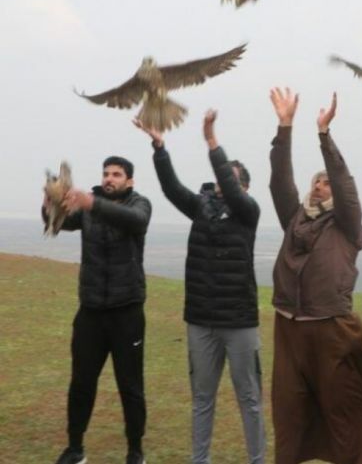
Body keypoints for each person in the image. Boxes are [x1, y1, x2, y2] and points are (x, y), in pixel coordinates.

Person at [134, 110, 265, 464]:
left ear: (245, 187)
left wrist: (211, 142)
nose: (223, 184)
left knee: (250, 399)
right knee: (202, 399)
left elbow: (235, 194)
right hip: (201, 321)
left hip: (240, 322)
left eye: (233, 181)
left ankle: (257, 460)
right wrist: (159, 147)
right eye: (222, 179)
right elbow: (171, 188)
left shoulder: (248, 211)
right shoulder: (201, 208)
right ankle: (199, 460)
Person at [268, 87, 362, 464]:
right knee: (289, 410)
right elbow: (279, 183)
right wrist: (285, 127)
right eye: (316, 181)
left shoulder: (346, 223)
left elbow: (345, 188)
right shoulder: (294, 220)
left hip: (330, 326)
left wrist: (324, 136)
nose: (319, 186)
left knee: (342, 409)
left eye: (324, 182)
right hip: (289, 325)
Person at [44, 156, 152, 464]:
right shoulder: (88, 207)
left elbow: (135, 221)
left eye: (117, 174)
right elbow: (60, 222)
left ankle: (135, 451)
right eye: (106, 173)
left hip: (127, 313)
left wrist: (91, 202)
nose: (109, 178)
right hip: (90, 311)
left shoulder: (139, 204)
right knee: (81, 383)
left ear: (129, 180)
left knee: (130, 386)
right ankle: (75, 448)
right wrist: (49, 204)